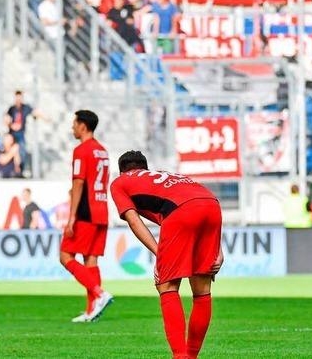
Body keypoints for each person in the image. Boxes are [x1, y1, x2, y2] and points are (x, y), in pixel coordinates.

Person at [110, 150, 224, 359]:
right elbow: (201, 200)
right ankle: (191, 356)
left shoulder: (120, 182)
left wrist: (159, 253)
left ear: (121, 171)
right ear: (145, 168)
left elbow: (134, 221)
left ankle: (180, 356)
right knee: (202, 289)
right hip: (212, 206)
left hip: (181, 212)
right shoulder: (165, 176)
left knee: (167, 285)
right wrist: (219, 249)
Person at [59, 110, 113, 323]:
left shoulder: (82, 150)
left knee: (65, 256)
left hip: (86, 211)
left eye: (74, 123)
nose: (72, 127)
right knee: (90, 260)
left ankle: (99, 293)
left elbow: (79, 182)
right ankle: (92, 310)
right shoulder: (103, 151)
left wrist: (71, 218)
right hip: (101, 209)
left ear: (82, 125)